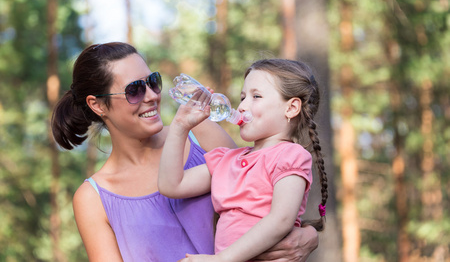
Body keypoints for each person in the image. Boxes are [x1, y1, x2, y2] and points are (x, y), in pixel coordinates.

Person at [51, 42, 319, 262]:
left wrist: (309, 235)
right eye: (134, 90)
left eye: (153, 81)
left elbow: (263, 195)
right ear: (98, 105)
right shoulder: (92, 198)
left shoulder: (202, 134)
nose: (152, 95)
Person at [159, 58, 328, 262]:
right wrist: (179, 126)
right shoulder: (226, 160)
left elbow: (281, 220)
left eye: (256, 96)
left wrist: (221, 259)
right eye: (242, 97)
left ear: (291, 108)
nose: (242, 106)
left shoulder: (291, 156)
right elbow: (171, 185)